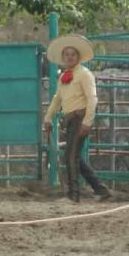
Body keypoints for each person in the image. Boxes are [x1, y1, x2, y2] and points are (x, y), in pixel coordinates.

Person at [43, 34, 111, 202]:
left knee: (70, 156)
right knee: (75, 157)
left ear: (78, 57)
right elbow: (57, 98)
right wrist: (48, 117)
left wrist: (87, 122)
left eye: (73, 54)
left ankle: (74, 195)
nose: (69, 57)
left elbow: (92, 99)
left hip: (80, 118)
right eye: (66, 54)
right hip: (70, 119)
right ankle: (100, 188)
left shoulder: (85, 74)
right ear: (63, 57)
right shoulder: (63, 76)